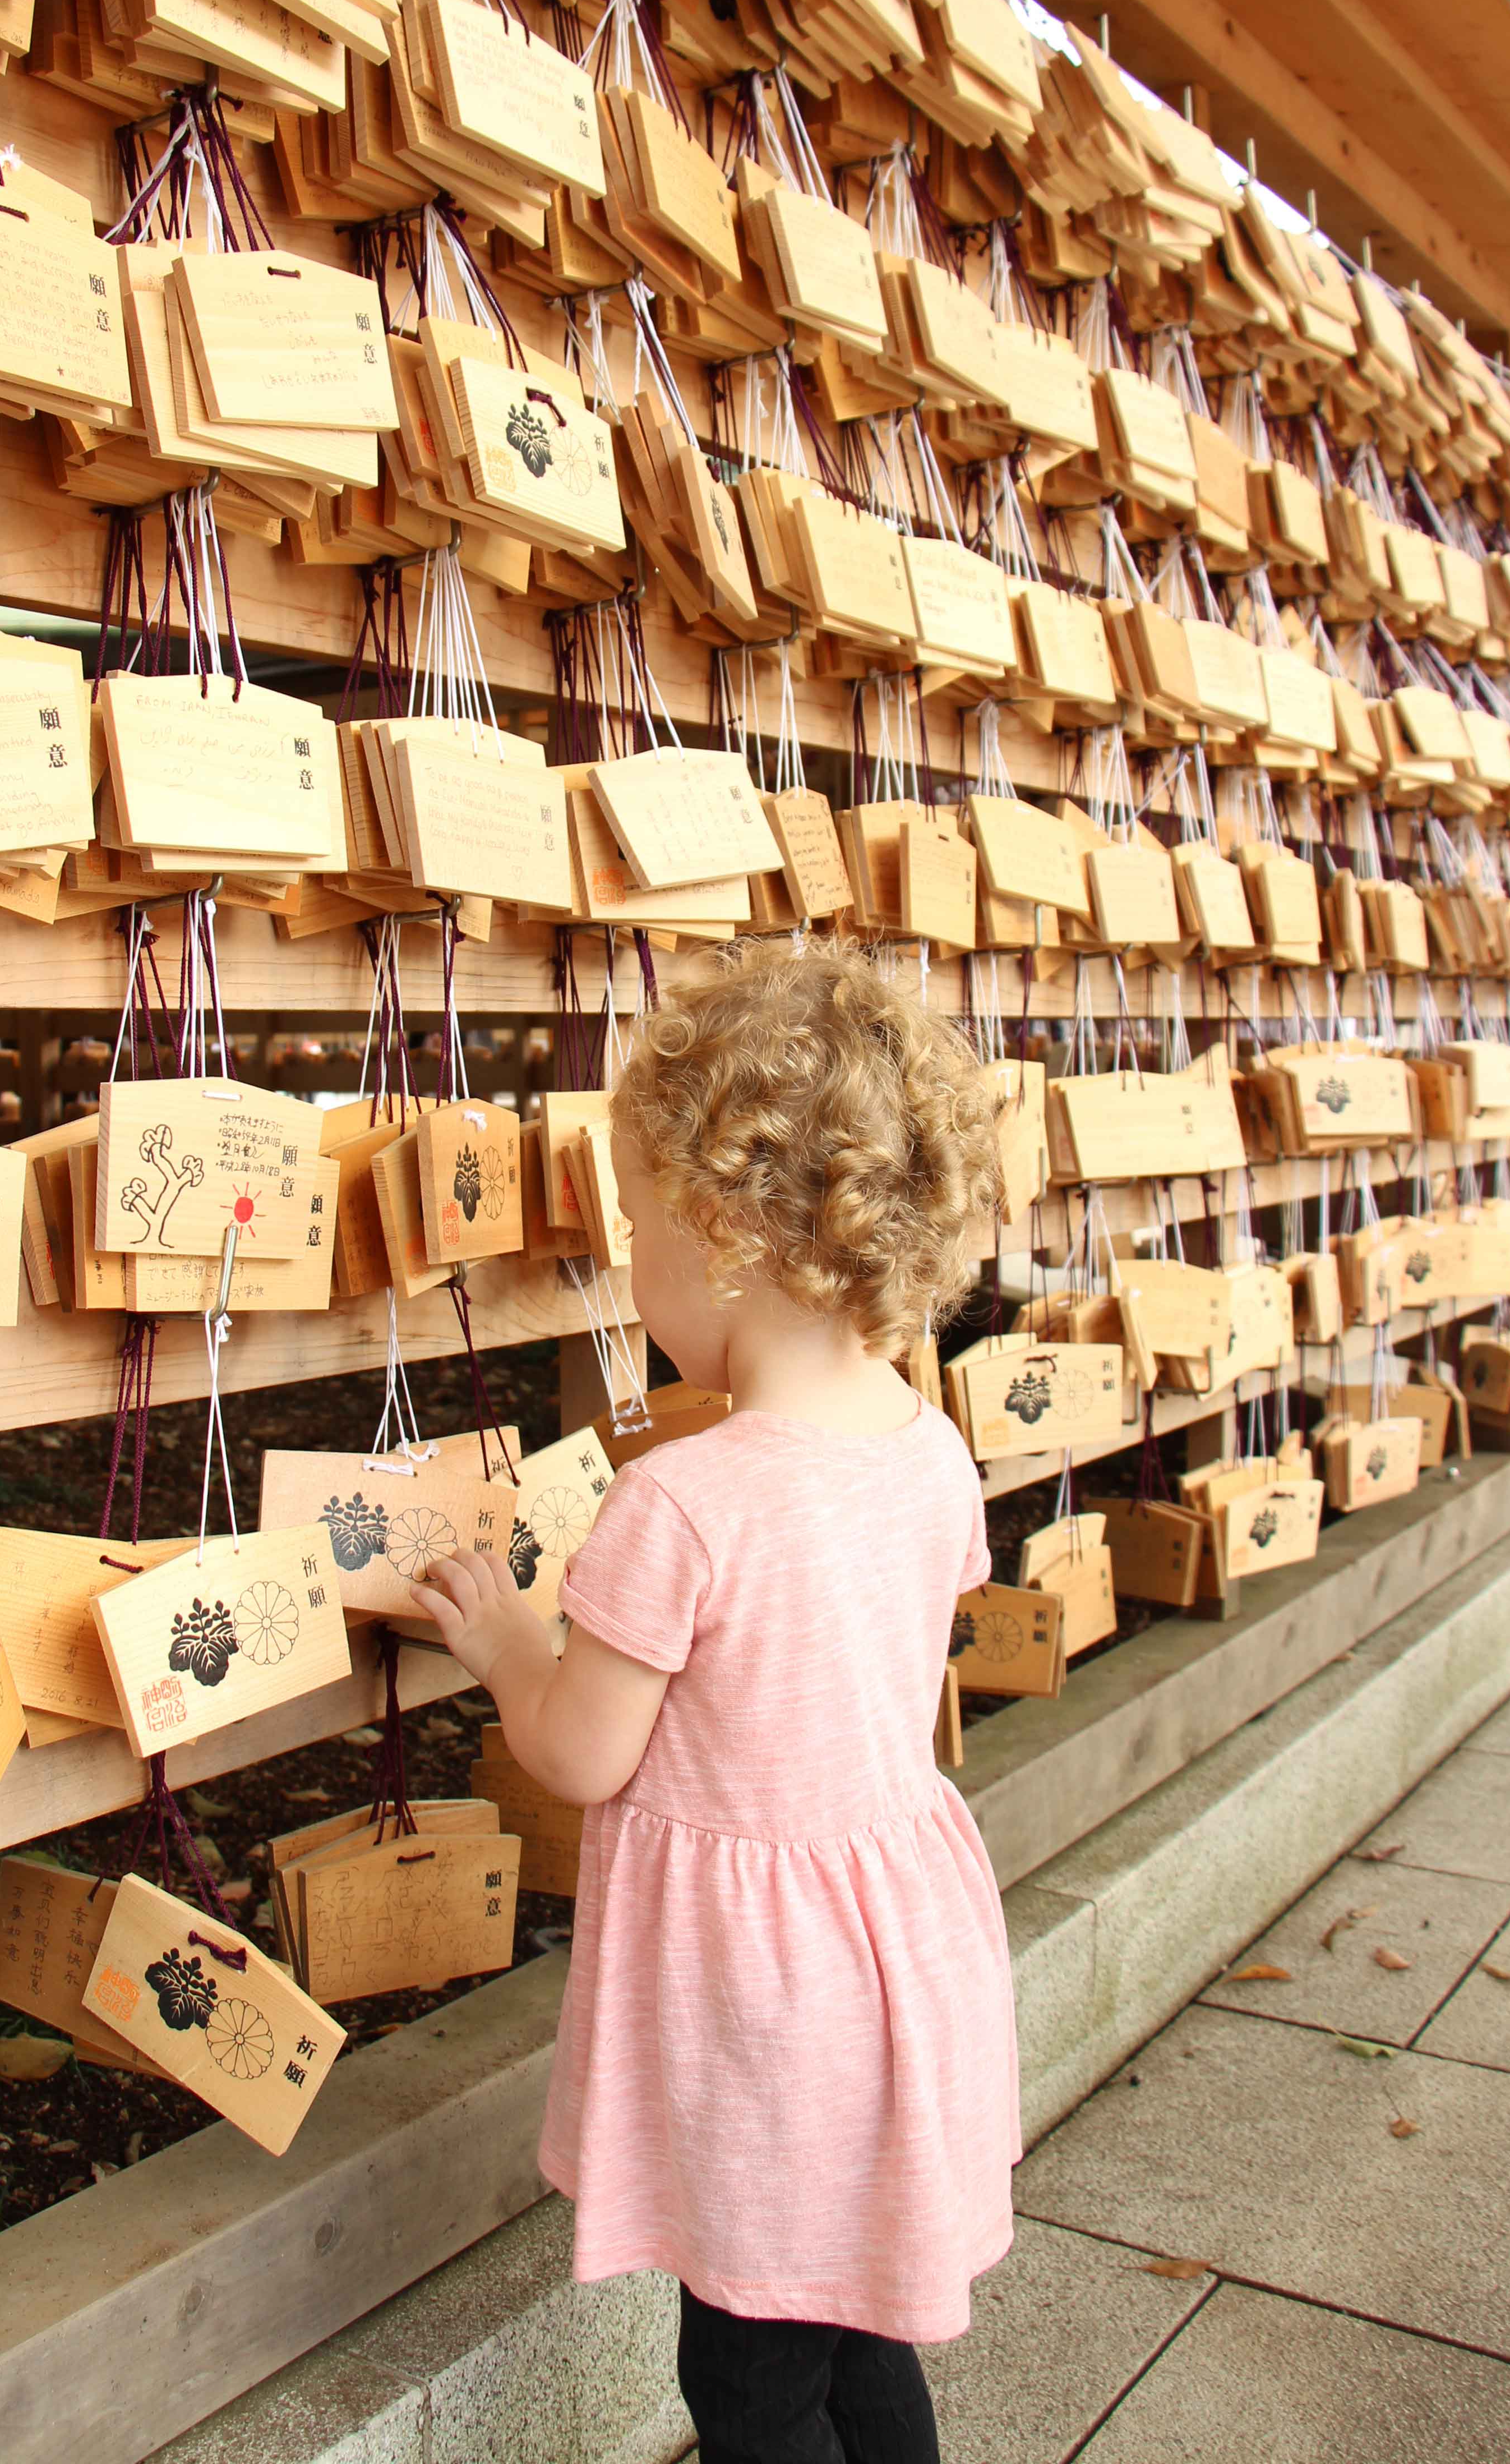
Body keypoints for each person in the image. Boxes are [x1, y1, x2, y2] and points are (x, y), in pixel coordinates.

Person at [410, 938, 1019, 2464]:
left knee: (748, 2385)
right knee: (858, 2336)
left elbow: (579, 1751)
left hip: (768, 2014)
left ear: (725, 1235)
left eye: (637, 1228)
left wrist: (502, 1639)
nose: (629, 1266)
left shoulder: (683, 1504)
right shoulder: (927, 1448)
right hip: (900, 1960)